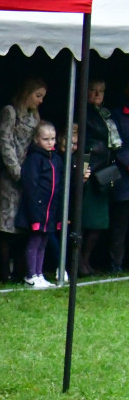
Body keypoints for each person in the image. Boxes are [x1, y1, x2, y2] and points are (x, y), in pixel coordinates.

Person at [0, 77, 46, 282]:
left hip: (29, 175)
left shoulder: (35, 116)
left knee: (23, 223)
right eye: (38, 95)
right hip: (11, 175)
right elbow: (5, 142)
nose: (41, 100)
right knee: (7, 223)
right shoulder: (10, 112)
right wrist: (17, 172)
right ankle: (2, 271)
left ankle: (20, 269)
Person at [16, 121, 64, 288]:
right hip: (37, 208)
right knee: (35, 240)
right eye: (46, 139)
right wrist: (35, 210)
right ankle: (31, 275)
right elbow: (30, 186)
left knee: (44, 241)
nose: (50, 142)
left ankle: (39, 274)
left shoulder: (56, 159)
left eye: (53, 139)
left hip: (51, 209)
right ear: (36, 139)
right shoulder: (34, 159)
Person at [81, 79, 121, 275]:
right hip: (90, 172)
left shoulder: (105, 115)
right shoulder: (84, 112)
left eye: (101, 91)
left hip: (104, 174)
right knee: (87, 221)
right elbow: (84, 144)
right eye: (92, 90)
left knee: (99, 223)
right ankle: (79, 262)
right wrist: (83, 169)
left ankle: (85, 261)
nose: (97, 95)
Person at [109, 80, 129, 272]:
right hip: (123, 177)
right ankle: (116, 263)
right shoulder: (116, 115)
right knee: (120, 224)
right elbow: (116, 145)